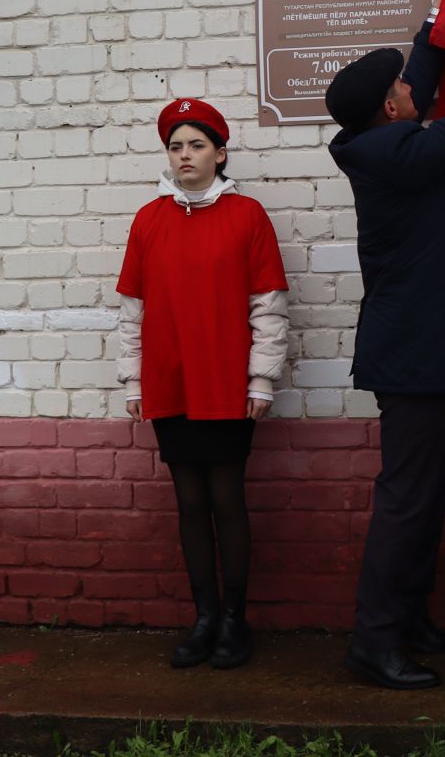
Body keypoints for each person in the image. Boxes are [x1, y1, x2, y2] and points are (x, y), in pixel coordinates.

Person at [324, 0, 445, 690]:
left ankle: (411, 618)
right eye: (400, 87)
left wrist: (440, 11)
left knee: (425, 492)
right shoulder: (396, 153)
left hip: (419, 346)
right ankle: (374, 640)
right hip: (410, 352)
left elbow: (417, 85)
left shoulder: (380, 136)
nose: (410, 87)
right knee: (406, 496)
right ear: (391, 111)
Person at [115, 98, 290, 671]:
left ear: (219, 152)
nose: (184, 155)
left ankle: (236, 621)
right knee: (189, 501)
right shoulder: (147, 219)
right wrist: (132, 376)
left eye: (195, 144)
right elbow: (131, 310)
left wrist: (262, 378)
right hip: (170, 380)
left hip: (225, 382)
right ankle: (204, 617)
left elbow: (268, 305)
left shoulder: (248, 216)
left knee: (226, 497)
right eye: (175, 145)